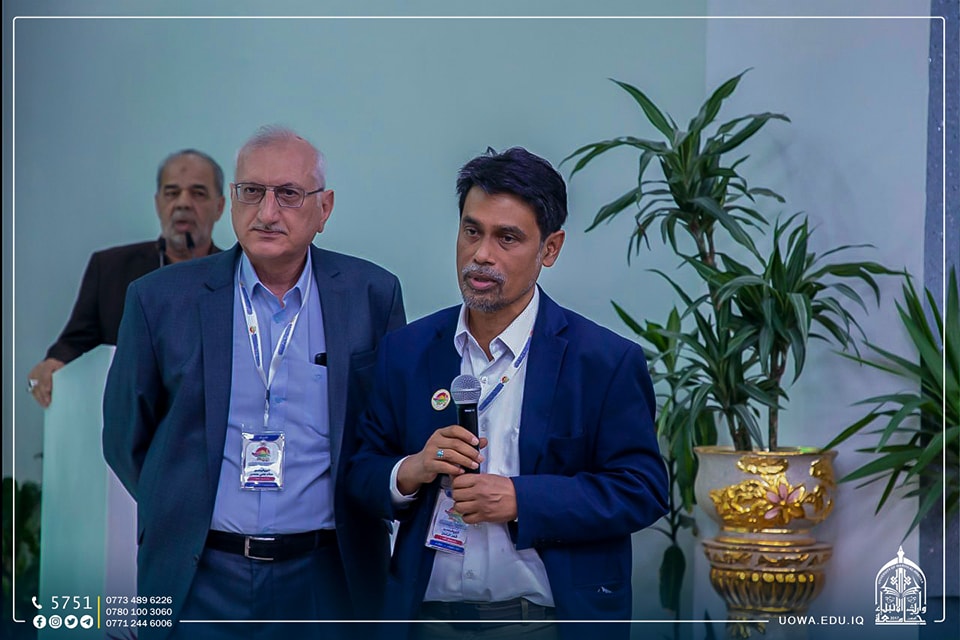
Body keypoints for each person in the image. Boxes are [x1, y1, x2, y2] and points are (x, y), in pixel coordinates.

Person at [346, 147, 668, 640]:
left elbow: (641, 489)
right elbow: (362, 470)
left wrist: (521, 499)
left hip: (547, 624)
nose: (481, 254)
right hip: (425, 621)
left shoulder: (602, 361)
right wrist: (410, 470)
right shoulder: (407, 351)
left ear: (550, 248)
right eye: (472, 231)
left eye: (507, 238)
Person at [102, 126, 405, 639]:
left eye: (288, 194)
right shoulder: (160, 300)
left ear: (324, 208)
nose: (267, 212)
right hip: (200, 577)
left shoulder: (371, 295)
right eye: (251, 192)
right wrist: (180, 501)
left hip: (328, 576)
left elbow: (388, 430)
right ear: (233, 199)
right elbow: (125, 438)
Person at [26, 148, 226, 407]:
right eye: (172, 193)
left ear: (219, 207)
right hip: (128, 415)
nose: (183, 203)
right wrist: (52, 364)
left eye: (198, 193)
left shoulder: (235, 274)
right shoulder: (110, 268)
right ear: (158, 203)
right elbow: (74, 345)